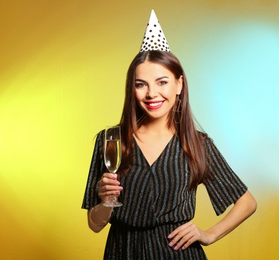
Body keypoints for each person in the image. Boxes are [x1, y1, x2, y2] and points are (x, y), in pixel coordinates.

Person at [82, 10, 257, 260]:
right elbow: (94, 223)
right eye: (141, 84)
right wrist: (106, 201)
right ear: (132, 89)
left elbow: (247, 203)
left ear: (179, 84)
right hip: (123, 251)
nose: (152, 93)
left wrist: (209, 235)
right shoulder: (110, 140)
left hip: (178, 254)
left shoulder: (197, 144)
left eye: (162, 82)